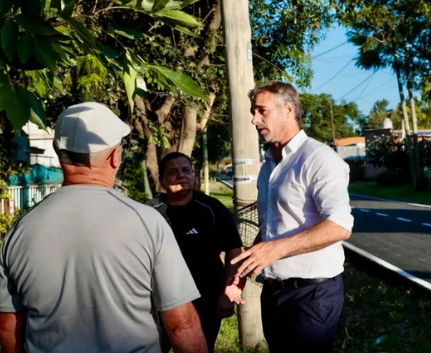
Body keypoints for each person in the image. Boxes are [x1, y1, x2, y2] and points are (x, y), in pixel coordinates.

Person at [0, 102, 207, 353]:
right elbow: (181, 325)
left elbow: (8, 326)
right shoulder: (148, 222)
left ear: (58, 152)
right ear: (114, 157)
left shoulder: (20, 230)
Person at [230, 81, 354, 353]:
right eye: (253, 111)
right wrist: (248, 265)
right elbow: (272, 228)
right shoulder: (269, 166)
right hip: (274, 292)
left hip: (312, 295)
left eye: (261, 111)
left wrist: (274, 250)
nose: (254, 119)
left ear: (287, 110)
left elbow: (340, 225)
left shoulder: (319, 158)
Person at [147, 152, 244, 353]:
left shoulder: (212, 209)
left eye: (186, 170)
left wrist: (227, 292)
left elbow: (234, 249)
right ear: (162, 180)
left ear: (193, 175)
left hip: (205, 300)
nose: (181, 175)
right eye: (173, 172)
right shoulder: (149, 213)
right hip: (158, 303)